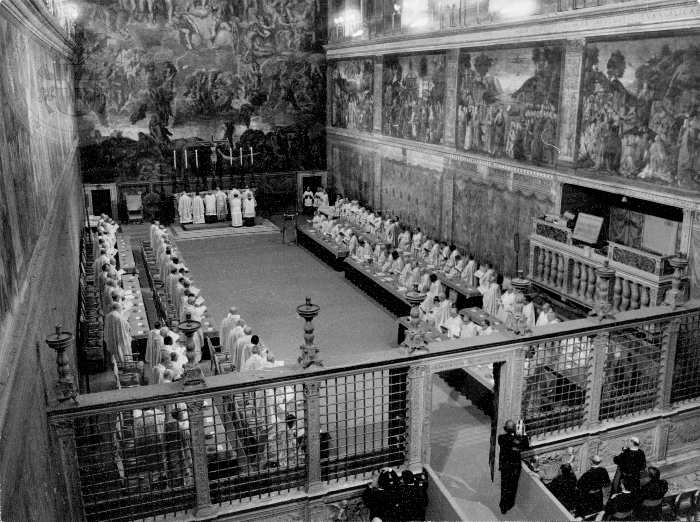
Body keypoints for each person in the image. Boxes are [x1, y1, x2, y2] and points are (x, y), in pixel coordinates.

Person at [498, 419, 529, 514]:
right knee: (513, 486)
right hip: (514, 467)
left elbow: (510, 442)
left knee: (504, 487)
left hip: (504, 466)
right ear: (514, 429)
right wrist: (523, 433)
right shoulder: (517, 440)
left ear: (505, 428)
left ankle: (503, 506)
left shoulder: (501, 438)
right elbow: (526, 446)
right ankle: (510, 504)